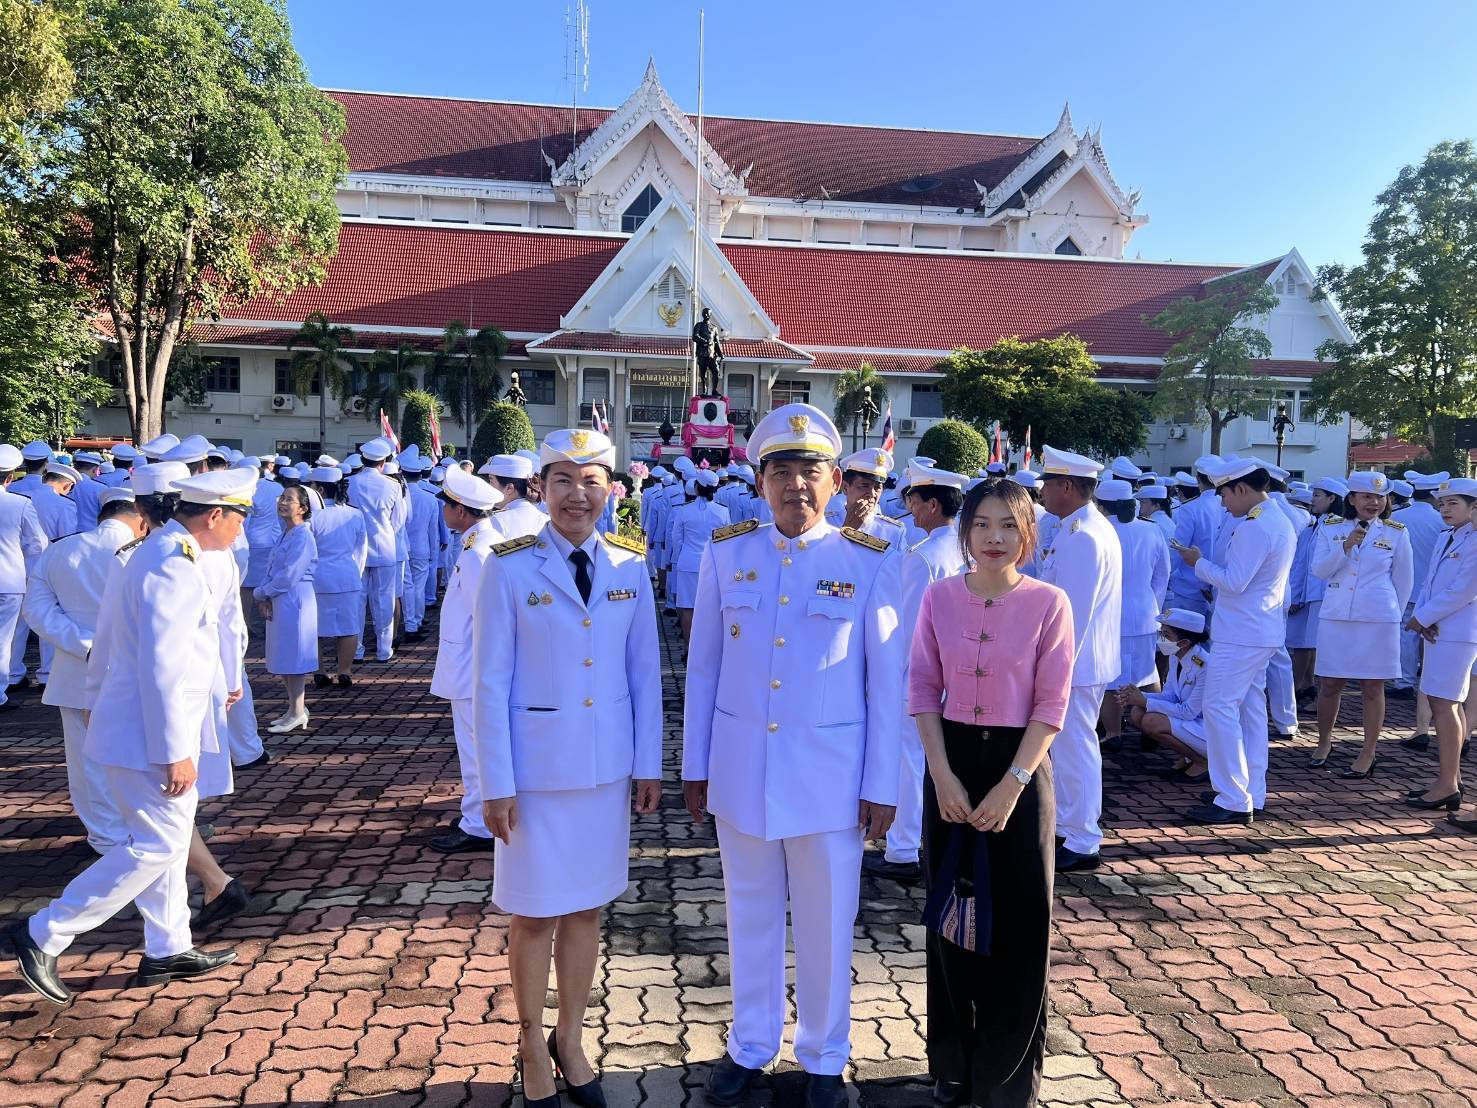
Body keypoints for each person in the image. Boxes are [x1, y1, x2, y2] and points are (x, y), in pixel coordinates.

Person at [682, 403, 902, 1108]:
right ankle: (750, 1046)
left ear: (835, 481)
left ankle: (822, 1058)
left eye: (809, 471)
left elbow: (885, 684)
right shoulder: (727, 551)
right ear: (759, 479)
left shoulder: (867, 561)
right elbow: (703, 669)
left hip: (831, 780)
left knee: (826, 923)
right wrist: (696, 764)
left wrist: (883, 782)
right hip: (742, 772)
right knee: (747, 914)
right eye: (780, 471)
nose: (794, 486)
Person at [6, 469, 251, 1004]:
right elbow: (160, 666)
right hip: (151, 733)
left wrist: (96, 698)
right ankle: (44, 932)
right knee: (157, 844)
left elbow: (114, 639)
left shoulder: (159, 553)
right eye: (240, 517)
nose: (240, 529)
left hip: (145, 724)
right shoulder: (172, 566)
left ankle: (168, 947)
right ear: (215, 515)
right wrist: (173, 752)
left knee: (161, 843)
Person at [473, 428, 661, 1108]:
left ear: (610, 489)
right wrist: (494, 783)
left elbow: (644, 673)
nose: (576, 494)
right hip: (534, 777)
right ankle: (529, 1045)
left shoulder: (628, 564)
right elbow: (488, 682)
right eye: (562, 480)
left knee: (585, 910)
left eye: (590, 481)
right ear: (539, 488)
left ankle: (571, 1038)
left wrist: (648, 766)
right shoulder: (508, 565)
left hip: (604, 773)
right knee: (531, 915)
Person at [908, 476, 1073, 1108]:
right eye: (982, 524)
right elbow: (923, 689)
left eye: (1009, 524)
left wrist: (1013, 782)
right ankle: (952, 1064)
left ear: (1027, 532)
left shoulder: (1049, 603)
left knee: (1020, 924)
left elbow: (1051, 704)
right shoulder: (939, 598)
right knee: (952, 922)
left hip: (1021, 772)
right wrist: (943, 775)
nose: (994, 537)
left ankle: (1005, 1080)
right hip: (951, 764)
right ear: (964, 531)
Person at [1173, 458, 1295, 825]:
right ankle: (1250, 790)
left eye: (1224, 493)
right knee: (1250, 712)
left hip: (1242, 633)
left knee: (1219, 708)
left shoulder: (1256, 526)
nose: (1222, 503)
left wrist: (1197, 562)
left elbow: (1234, 581)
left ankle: (1232, 797)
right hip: (1257, 631)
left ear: (1240, 489)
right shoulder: (1274, 519)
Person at [21, 489, 145, 850]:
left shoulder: (60, 550)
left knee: (85, 759)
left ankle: (106, 836)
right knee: (139, 754)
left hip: (76, 670)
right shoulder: (146, 554)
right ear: (140, 518)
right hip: (134, 669)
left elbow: (37, 611)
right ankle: (142, 828)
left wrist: (83, 644)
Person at [867, 458, 966, 883]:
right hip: (958, 670)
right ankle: (939, 844)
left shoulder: (923, 556)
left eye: (913, 497)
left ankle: (902, 850)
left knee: (909, 760)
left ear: (929, 504)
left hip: (921, 672)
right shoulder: (965, 546)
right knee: (942, 760)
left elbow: (905, 626)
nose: (909, 505)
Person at [1036, 447, 1121, 872]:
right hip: (1080, 661)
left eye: (1049, 484)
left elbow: (1074, 613)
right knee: (1070, 749)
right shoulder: (1077, 529)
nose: (1044, 492)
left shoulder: (1084, 536)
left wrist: (1055, 665)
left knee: (1076, 748)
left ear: (1067, 486)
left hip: (1078, 661)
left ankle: (1084, 837)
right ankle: (1072, 827)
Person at [1308, 472, 1413, 776]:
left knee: (1372, 686)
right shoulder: (1331, 528)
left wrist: (1393, 615)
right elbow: (1319, 571)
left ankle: (1368, 751)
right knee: (1330, 684)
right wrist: (1345, 547)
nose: (1375, 503)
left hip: (1378, 618)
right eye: (1367, 496)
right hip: (1338, 614)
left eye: (1380, 497)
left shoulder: (1396, 532)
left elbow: (1403, 582)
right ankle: (1324, 741)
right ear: (1351, 499)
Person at [428, 465, 502, 854]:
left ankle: (478, 825)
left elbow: (489, 620)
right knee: (474, 748)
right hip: (470, 666)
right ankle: (476, 816)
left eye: (447, 505)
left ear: (461, 510)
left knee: (475, 751)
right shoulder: (477, 546)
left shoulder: (477, 554)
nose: (444, 511)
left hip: (473, 671)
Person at [1406, 478, 1477, 820]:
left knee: (1443, 703)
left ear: (1473, 508)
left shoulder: (1475, 540)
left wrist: (1422, 617)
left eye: (1454, 504)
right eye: (1443, 504)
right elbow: (1431, 582)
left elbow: (1465, 589)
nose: (1445, 509)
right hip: (1440, 629)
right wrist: (1424, 616)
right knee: (1446, 703)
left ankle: (1447, 783)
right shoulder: (1447, 536)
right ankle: (1452, 779)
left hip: (1458, 631)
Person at [1098, 479, 1169, 747]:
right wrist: (1154, 606)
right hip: (1144, 614)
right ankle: (1152, 730)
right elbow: (1163, 574)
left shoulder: (1101, 530)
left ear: (1102, 505)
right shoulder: (1151, 530)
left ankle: (1114, 733)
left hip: (1110, 615)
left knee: (1110, 678)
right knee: (1148, 674)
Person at [1119, 609, 1212, 782]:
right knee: (1137, 712)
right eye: (1161, 631)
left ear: (1184, 642)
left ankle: (1202, 762)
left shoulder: (1204, 665)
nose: (1161, 637)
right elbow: (1171, 695)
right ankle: (1187, 757)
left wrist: (1146, 700)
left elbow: (1189, 712)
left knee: (1151, 720)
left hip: (1207, 729)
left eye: (1166, 634)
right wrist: (1138, 696)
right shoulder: (1176, 656)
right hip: (1191, 722)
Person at [254, 486, 318, 733]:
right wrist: (266, 594)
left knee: (294, 655)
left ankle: (299, 710)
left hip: (295, 598)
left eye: (289, 500)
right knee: (283, 654)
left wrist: (261, 592)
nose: (282, 503)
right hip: (280, 596)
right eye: (281, 498)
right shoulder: (287, 533)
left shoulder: (303, 535)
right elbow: (274, 569)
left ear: (302, 508)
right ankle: (293, 708)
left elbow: (290, 575)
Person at [1392, 471, 1447, 719]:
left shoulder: (1397, 516)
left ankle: (1403, 682)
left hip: (1403, 585)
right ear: (1435, 496)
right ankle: (1428, 682)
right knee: (1431, 637)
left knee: (1405, 636)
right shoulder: (1441, 521)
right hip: (1434, 588)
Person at [308, 467, 368, 689]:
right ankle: (345, 670)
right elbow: (361, 548)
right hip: (347, 575)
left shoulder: (312, 517)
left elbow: (307, 550)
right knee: (348, 626)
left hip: (318, 578)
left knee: (315, 628)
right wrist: (356, 573)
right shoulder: (354, 514)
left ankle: (320, 670)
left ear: (320, 490)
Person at [1288, 478, 1345, 705]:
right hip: (1309, 595)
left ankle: (1307, 690)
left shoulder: (1337, 527)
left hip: (1324, 595)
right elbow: (1301, 563)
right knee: (1303, 643)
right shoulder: (1314, 525)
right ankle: (1304, 686)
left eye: (1318, 495)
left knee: (1314, 646)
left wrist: (1302, 594)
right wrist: (1297, 594)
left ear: (1332, 499)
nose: (1312, 500)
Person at [0, 444, 47, 711]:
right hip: (8, 580)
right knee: (3, 639)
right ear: (9, 478)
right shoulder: (20, 504)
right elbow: (37, 545)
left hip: (10, 581)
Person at [350, 438, 401, 663]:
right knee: (384, 600)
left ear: (363, 460)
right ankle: (384, 650)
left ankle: (357, 650)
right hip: (384, 547)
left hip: (355, 549)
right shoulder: (392, 485)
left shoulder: (349, 482)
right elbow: (398, 521)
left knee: (357, 602)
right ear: (383, 463)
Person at [667, 469, 730, 640]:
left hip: (688, 562)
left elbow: (676, 539)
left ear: (696, 488)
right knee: (711, 608)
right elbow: (726, 541)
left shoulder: (684, 511)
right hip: (713, 564)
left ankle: (689, 651)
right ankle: (707, 649)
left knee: (688, 608)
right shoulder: (722, 512)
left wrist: (678, 559)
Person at [1167, 456, 1224, 616]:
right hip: (1219, 585)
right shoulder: (1230, 507)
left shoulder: (1190, 509)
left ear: (1198, 479)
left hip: (1190, 588)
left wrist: (1164, 575)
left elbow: (1178, 549)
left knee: (1184, 638)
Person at [827, 448, 908, 548]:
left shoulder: (893, 531)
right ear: (845, 488)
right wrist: (846, 532)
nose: (872, 493)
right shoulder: (826, 524)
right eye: (864, 486)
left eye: (877, 487)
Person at [486, 454, 545, 540]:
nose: (489, 487)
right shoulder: (545, 519)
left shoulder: (497, 521)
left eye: (491, 482)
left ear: (509, 488)